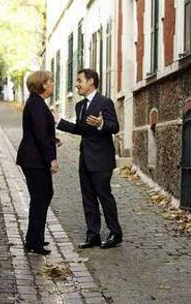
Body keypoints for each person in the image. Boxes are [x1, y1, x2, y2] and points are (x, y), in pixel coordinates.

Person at [56, 68, 122, 249]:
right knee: (88, 198)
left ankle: (115, 233)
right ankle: (92, 235)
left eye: (79, 81)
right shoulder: (80, 106)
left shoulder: (105, 102)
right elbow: (80, 129)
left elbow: (115, 127)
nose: (76, 84)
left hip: (101, 159)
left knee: (104, 196)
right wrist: (58, 122)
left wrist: (101, 123)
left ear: (91, 81)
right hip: (85, 158)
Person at [16, 70, 59, 255]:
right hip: (35, 160)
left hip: (33, 158)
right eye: (51, 81)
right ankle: (34, 242)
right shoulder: (37, 104)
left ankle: (34, 239)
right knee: (41, 197)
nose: (53, 84)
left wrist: (54, 140)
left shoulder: (36, 103)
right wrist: (52, 159)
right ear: (42, 85)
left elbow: (40, 132)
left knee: (42, 197)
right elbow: (40, 135)